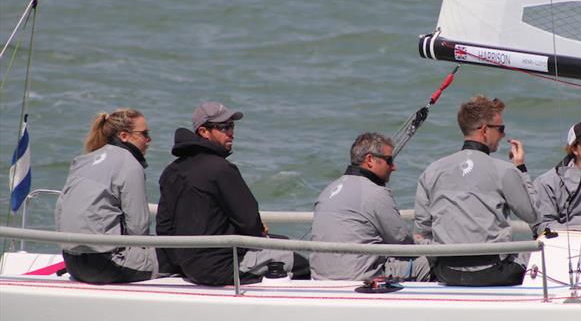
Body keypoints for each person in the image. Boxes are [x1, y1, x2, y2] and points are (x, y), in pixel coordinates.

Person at [156, 101, 308, 285]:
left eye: (231, 126)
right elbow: (249, 223)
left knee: (279, 241)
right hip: (220, 266)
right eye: (223, 127)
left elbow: (164, 226)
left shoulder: (172, 171)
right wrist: (260, 232)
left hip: (185, 265)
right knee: (300, 263)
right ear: (204, 132)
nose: (230, 132)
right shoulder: (221, 169)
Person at [414, 95, 539, 286]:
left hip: (447, 272)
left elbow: (422, 230)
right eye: (500, 129)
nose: (503, 135)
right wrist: (521, 168)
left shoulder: (432, 170)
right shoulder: (504, 170)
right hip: (493, 273)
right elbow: (532, 215)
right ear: (484, 130)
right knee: (542, 255)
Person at [56, 108, 174, 284]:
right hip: (106, 266)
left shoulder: (83, 160)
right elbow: (138, 229)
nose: (149, 140)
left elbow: (60, 210)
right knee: (179, 256)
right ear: (124, 136)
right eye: (144, 134)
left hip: (72, 261)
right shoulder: (130, 164)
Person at [310, 132, 430, 281]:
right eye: (389, 160)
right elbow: (403, 243)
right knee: (432, 261)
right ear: (370, 160)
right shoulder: (375, 192)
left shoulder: (328, 190)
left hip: (320, 278)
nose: (394, 167)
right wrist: (427, 242)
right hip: (360, 279)